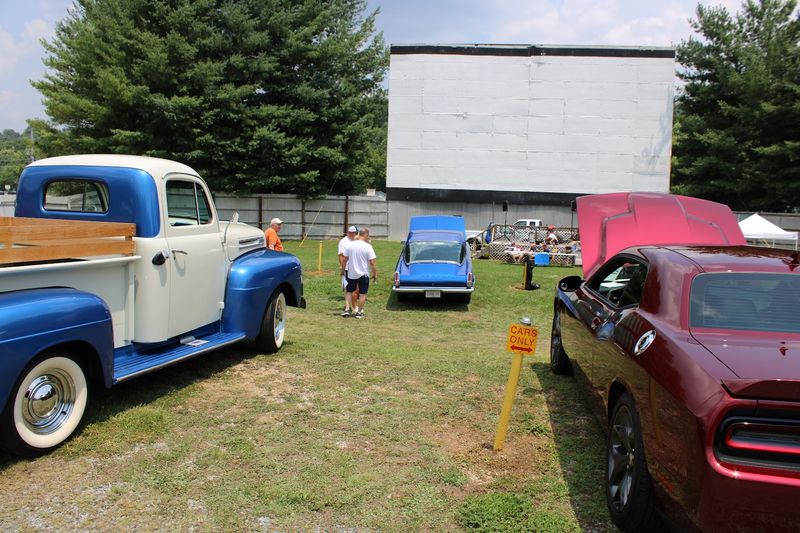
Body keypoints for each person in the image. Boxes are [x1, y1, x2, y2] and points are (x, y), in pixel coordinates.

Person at [342, 228, 377, 319]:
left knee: (349, 291)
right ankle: (359, 312)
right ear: (366, 235)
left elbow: (344, 259)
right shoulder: (368, 246)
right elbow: (372, 263)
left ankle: (347, 309)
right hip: (364, 274)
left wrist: (342, 270)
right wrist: (375, 274)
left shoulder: (350, 245)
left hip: (351, 273)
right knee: (362, 294)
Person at [338, 226, 358, 316]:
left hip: (356, 268)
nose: (354, 234)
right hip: (347, 268)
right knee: (348, 289)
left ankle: (354, 307)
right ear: (350, 233)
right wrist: (343, 267)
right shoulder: (343, 242)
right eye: (353, 233)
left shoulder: (357, 240)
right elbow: (341, 256)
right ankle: (348, 308)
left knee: (356, 289)